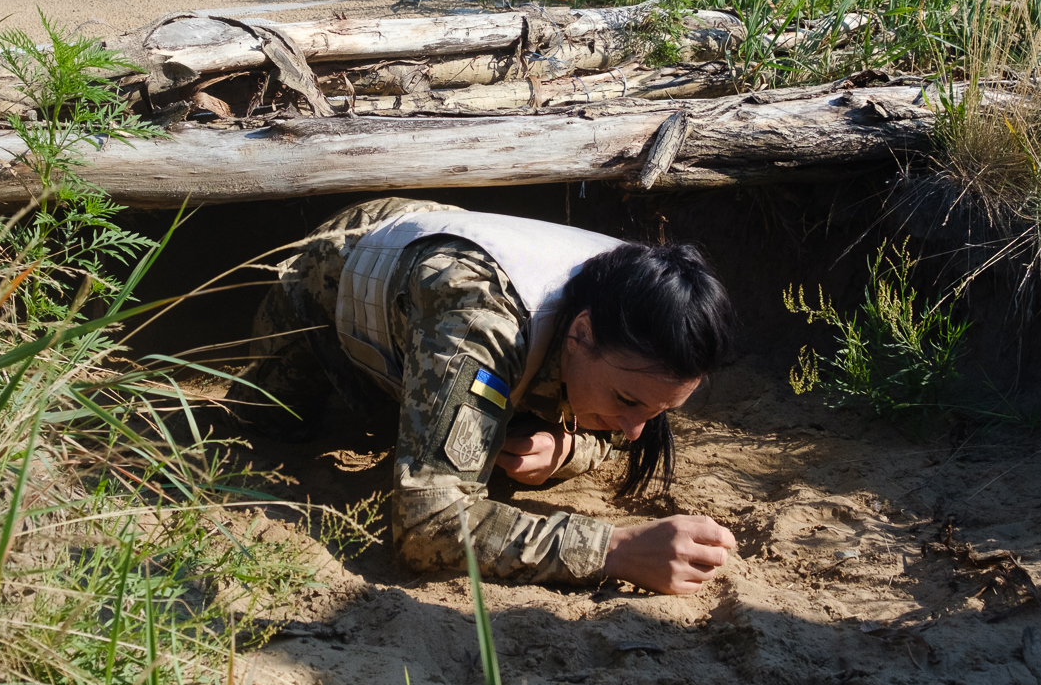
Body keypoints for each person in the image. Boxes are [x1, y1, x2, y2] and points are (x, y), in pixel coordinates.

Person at [241, 197, 739, 594]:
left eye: (657, 412)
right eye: (628, 402)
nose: (636, 429)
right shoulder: (477, 322)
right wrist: (616, 550)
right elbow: (426, 523)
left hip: (444, 258)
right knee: (273, 420)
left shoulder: (645, 309)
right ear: (582, 333)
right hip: (332, 274)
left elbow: (625, 423)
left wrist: (568, 448)